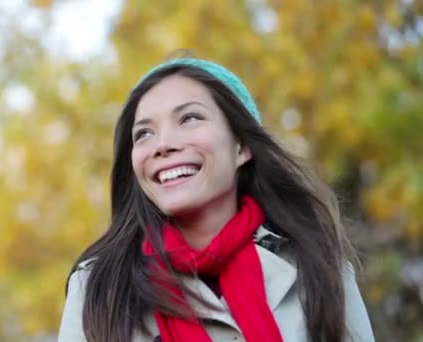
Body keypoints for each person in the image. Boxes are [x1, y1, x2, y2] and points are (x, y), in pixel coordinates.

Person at [58, 57, 375, 342]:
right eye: (143, 133)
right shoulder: (98, 287)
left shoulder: (317, 266)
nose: (162, 144)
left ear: (241, 147)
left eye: (189, 118)